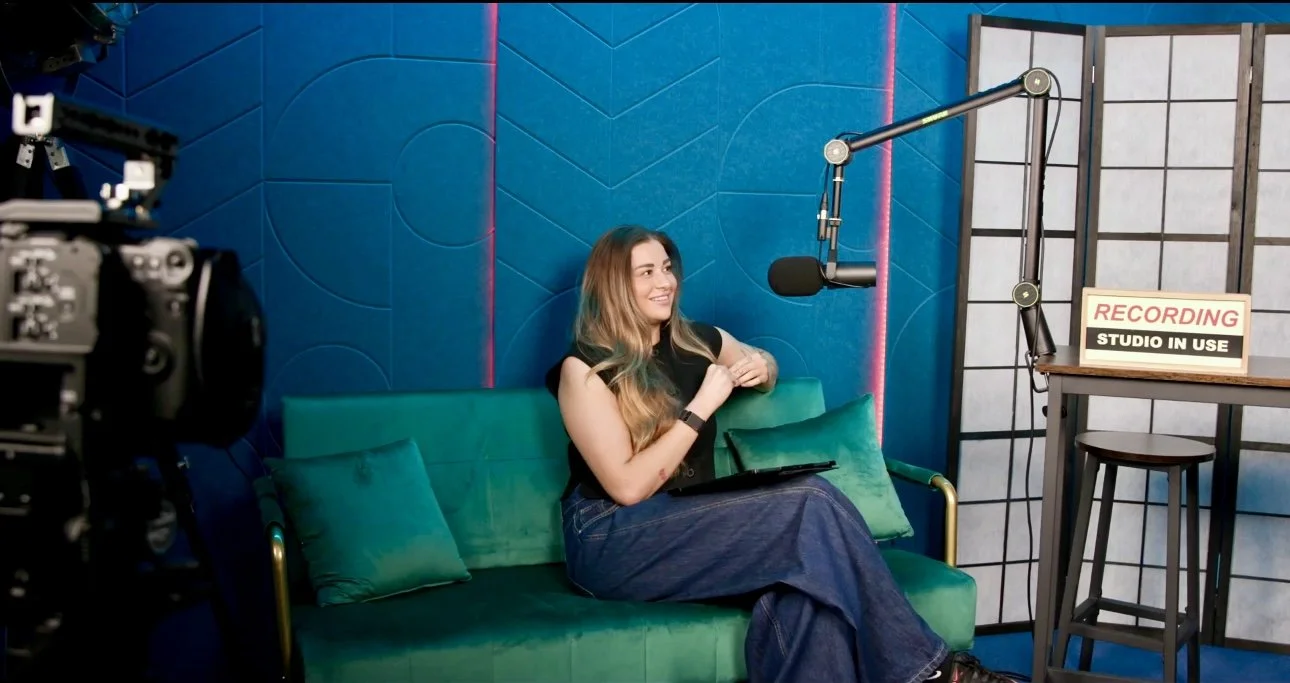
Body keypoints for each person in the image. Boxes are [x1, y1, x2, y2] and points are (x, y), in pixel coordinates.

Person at [545, 225, 1018, 683]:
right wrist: (701, 407)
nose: (664, 281)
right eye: (644, 272)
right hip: (611, 538)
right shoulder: (585, 369)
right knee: (809, 500)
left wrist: (760, 366)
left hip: (688, 517)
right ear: (613, 285)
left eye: (666, 268)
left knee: (809, 593)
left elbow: (764, 367)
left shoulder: (698, 341)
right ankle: (929, 670)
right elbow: (628, 488)